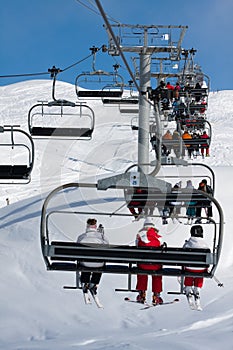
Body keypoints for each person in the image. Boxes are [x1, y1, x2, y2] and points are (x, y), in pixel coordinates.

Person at [77, 218, 109, 296]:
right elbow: (107, 247)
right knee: (99, 262)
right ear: (96, 226)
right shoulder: (102, 237)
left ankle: (85, 282)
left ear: (87, 226)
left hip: (85, 263)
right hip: (99, 263)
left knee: (85, 260)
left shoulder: (82, 237)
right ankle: (94, 283)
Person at [135, 218, 164, 305]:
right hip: (155, 265)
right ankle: (156, 295)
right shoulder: (159, 238)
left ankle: (141, 294)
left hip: (143, 265)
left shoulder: (139, 236)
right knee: (157, 273)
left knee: (142, 271)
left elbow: (136, 248)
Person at [183, 225, 209, 308]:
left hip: (189, 268)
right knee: (200, 272)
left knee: (189, 271)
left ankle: (188, 288)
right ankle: (197, 289)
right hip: (201, 268)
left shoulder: (188, 244)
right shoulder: (205, 245)